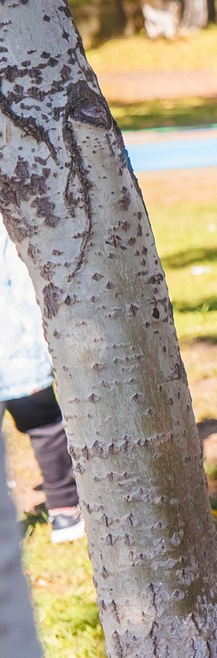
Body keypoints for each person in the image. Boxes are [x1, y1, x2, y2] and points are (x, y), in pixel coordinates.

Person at [0, 228, 81, 542]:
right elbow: (23, 279)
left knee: (42, 424)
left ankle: (61, 509)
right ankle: (64, 509)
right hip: (16, 347)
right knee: (45, 426)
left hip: (15, 348)